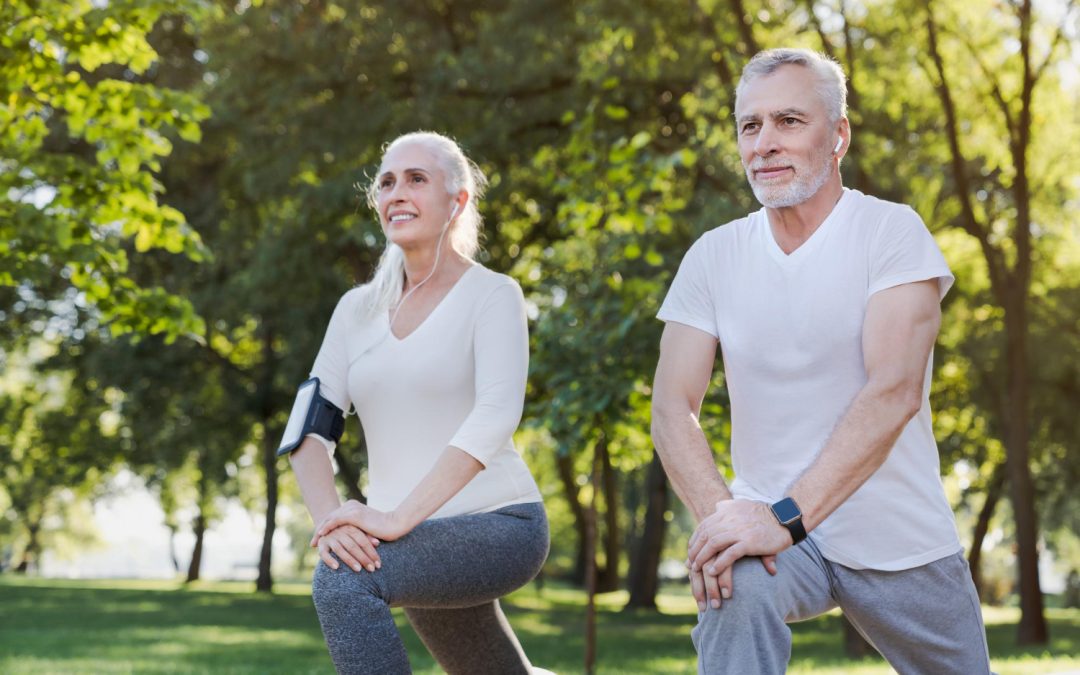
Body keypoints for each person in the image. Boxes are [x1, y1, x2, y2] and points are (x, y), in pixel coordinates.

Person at [650, 49, 991, 673]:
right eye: (750, 126)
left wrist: (786, 516)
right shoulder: (713, 256)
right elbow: (673, 407)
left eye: (788, 121)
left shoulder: (892, 233)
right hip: (773, 540)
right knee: (735, 590)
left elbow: (893, 392)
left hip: (898, 538)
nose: (765, 144)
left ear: (838, 135)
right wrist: (725, 523)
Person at [283, 131, 549, 674]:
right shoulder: (355, 310)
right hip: (408, 537)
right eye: (386, 182)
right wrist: (336, 526)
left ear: (458, 201)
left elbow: (495, 416)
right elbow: (309, 429)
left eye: (416, 179)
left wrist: (395, 520)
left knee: (344, 585)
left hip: (500, 524)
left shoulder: (493, 294)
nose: (396, 192)